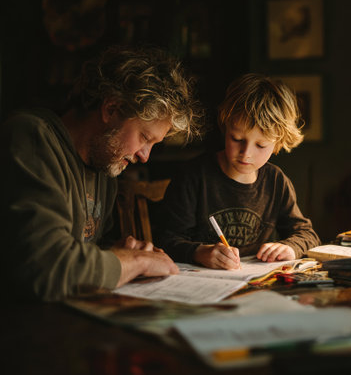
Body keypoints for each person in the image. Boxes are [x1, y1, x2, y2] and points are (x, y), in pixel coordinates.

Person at [0, 45, 204, 301]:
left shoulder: (105, 168)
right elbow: (45, 267)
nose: (145, 156)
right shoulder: (31, 137)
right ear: (111, 109)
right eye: (144, 137)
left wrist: (118, 252)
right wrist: (137, 261)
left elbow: (89, 252)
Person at [154, 73, 320, 270]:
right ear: (225, 127)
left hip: (253, 283)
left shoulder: (275, 181)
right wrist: (199, 252)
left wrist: (290, 247)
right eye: (237, 139)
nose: (246, 154)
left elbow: (308, 235)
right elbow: (166, 240)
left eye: (261, 145)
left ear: (277, 144)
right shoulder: (194, 177)